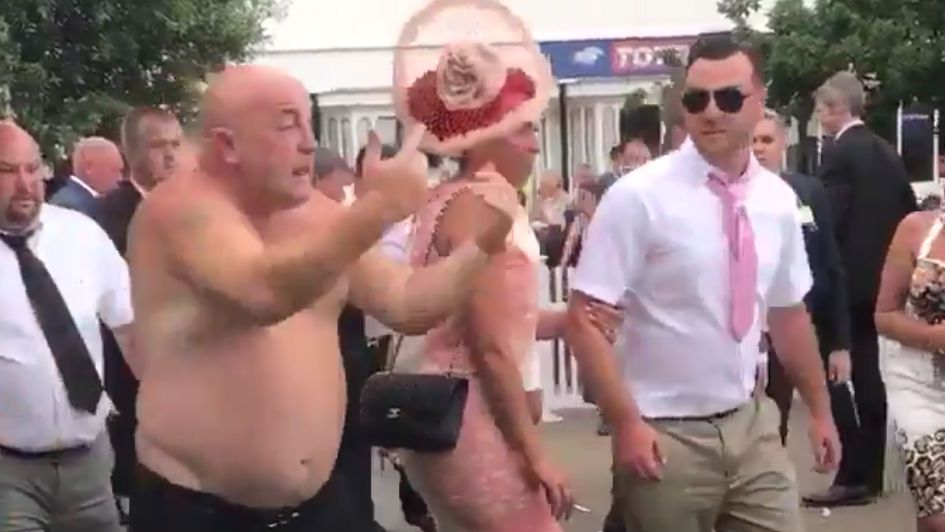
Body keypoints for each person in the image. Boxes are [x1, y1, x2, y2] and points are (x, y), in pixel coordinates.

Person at [126, 64, 519, 532]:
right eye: (287, 124)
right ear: (228, 145)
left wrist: (487, 243)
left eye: (308, 122)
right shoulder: (181, 208)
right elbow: (263, 293)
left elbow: (408, 304)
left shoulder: (316, 215)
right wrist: (378, 210)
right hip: (198, 512)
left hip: (322, 506)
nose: (309, 143)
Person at [566, 35, 841, 532]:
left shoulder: (777, 200)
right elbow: (584, 319)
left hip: (751, 423)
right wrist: (626, 423)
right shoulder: (638, 198)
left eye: (729, 98)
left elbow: (788, 313)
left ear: (759, 102)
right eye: (696, 100)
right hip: (664, 434)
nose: (711, 111)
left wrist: (820, 411)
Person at [391, 1, 574, 530]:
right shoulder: (481, 207)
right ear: (482, 134)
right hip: (471, 419)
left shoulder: (447, 199)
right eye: (522, 128)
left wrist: (565, 320)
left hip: (450, 417)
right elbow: (488, 346)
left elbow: (481, 320)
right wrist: (534, 451)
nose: (535, 142)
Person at [0, 121, 132, 531]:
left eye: (32, 167)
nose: (25, 183)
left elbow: (129, 328)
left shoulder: (81, 235)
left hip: (90, 462)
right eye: (6, 170)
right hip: (8, 470)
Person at [808, 70, 918, 506]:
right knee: (872, 378)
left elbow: (828, 221)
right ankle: (871, 472)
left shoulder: (838, 155)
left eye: (820, 109)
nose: (819, 118)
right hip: (886, 284)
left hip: (846, 286)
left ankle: (853, 474)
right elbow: (908, 216)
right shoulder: (887, 153)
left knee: (843, 378)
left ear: (836, 108)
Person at [91, 106, 184, 520]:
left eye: (176, 145)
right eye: (158, 146)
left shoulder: (190, 208)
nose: (170, 156)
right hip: (135, 380)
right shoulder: (109, 217)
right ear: (131, 153)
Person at [752, 110, 854, 447]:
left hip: (797, 320)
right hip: (746, 327)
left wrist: (840, 342)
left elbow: (830, 263)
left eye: (766, 140)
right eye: (752, 140)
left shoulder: (807, 192)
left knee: (780, 416)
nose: (758, 148)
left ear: (783, 143)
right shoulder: (730, 194)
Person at [876, 204, 945, 532]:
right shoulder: (916, 228)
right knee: (937, 515)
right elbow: (885, 315)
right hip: (918, 388)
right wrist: (934, 337)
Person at [50, 136, 124, 214]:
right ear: (89, 167)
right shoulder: (70, 206)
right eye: (114, 170)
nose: (120, 178)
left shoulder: (80, 200)